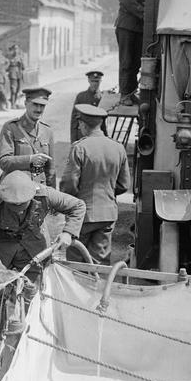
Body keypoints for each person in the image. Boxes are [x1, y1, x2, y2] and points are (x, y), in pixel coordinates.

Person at [0, 171, 85, 351]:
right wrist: (1, 272)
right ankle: (0, 349)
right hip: (3, 251)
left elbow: (78, 206)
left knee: (33, 296)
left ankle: (30, 346)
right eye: (13, 204)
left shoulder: (45, 194)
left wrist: (68, 232)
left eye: (22, 203)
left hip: (33, 248)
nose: (18, 207)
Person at [60, 104, 131, 265]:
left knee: (76, 264)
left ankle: (77, 289)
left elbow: (69, 184)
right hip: (108, 214)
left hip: (82, 215)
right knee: (99, 263)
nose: (79, 127)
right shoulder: (118, 148)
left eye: (80, 124)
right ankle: (97, 289)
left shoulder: (80, 148)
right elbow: (124, 184)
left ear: (84, 125)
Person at [0, 87, 56, 188]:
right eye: (35, 104)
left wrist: (52, 194)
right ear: (26, 103)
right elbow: (4, 162)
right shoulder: (11, 127)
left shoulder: (47, 131)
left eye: (42, 106)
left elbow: (51, 169)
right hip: (17, 189)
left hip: (40, 189)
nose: (38, 109)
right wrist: (30, 160)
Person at [115, 0, 146, 106]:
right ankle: (124, 94)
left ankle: (132, 93)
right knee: (126, 61)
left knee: (136, 63)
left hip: (140, 28)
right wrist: (145, 13)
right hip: (126, 26)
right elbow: (128, 1)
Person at [70, 70, 108, 143]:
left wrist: (106, 137)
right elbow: (74, 121)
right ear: (89, 81)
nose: (94, 84)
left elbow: (103, 123)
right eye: (92, 81)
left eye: (97, 81)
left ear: (100, 81)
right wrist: (73, 140)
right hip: (82, 136)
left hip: (98, 136)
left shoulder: (103, 97)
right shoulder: (81, 97)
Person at [6, 43, 25, 108]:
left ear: (18, 50)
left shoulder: (20, 57)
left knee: (18, 89)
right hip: (12, 74)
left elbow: (23, 67)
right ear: (12, 50)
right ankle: (12, 104)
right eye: (14, 49)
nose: (15, 50)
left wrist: (21, 62)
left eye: (17, 49)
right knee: (13, 89)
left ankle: (13, 101)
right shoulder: (9, 57)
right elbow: (6, 67)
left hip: (18, 75)